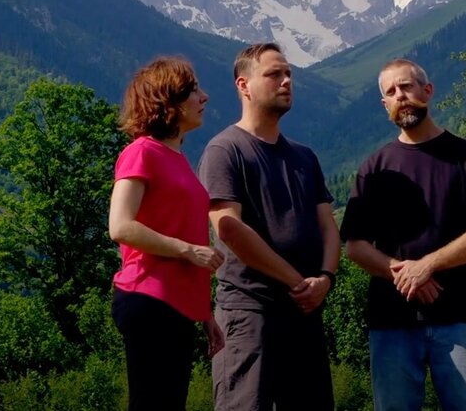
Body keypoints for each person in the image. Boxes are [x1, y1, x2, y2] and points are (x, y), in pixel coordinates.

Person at [341, 58, 466, 411]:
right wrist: (405, 272)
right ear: (385, 105)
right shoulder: (375, 168)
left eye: (407, 86)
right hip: (391, 321)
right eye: (391, 92)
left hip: (461, 316)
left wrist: (427, 265)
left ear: (427, 91)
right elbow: (354, 245)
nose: (401, 96)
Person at [197, 42, 340, 411]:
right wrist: (298, 281)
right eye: (274, 74)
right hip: (249, 314)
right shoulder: (225, 150)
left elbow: (328, 227)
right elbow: (228, 229)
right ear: (243, 85)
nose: (287, 81)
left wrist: (325, 278)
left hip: (305, 313)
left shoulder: (305, 157)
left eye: (289, 73)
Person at [108, 57, 225, 411]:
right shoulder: (141, 152)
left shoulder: (176, 158)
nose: (204, 97)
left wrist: (204, 314)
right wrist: (188, 251)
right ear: (167, 103)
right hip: (149, 298)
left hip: (176, 305)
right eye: (193, 91)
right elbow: (121, 226)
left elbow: (179, 227)